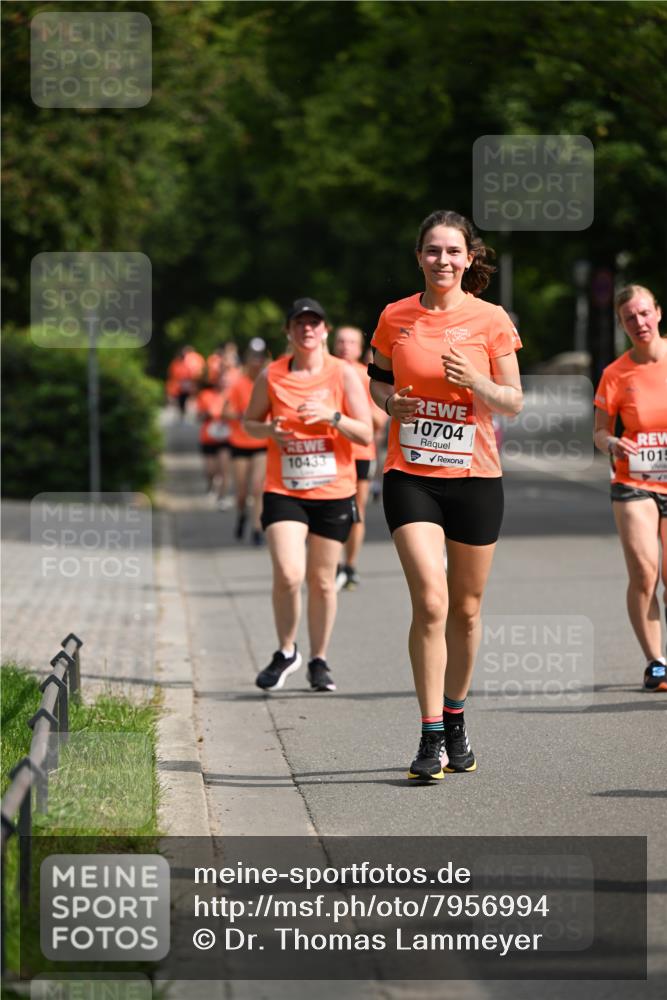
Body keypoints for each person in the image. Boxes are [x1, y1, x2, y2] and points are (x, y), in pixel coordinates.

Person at [368, 209, 523, 782]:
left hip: (476, 477)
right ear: (420, 257)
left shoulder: (490, 319)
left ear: (468, 259)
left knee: (465, 607)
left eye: (453, 252)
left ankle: (456, 715)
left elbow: (512, 400)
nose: (443, 261)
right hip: (410, 473)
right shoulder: (395, 317)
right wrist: (390, 405)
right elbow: (376, 377)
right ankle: (430, 732)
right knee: (431, 602)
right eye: (433, 251)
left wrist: (475, 382)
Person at [243, 298, 372, 692]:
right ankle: (286, 651)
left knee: (320, 581)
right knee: (288, 572)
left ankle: (319, 660)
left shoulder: (343, 374)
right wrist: (270, 432)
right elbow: (249, 423)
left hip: (333, 490)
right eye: (299, 323)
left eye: (314, 323)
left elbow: (366, 433)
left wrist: (331, 416)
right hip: (285, 488)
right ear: (288, 332)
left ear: (326, 330)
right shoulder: (272, 375)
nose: (307, 329)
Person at [594, 284, 667, 691]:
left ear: (657, 312)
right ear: (622, 325)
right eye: (629, 318)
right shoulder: (616, 373)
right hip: (633, 479)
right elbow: (600, 432)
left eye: (644, 313)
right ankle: (655, 661)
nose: (639, 322)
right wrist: (610, 442)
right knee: (644, 572)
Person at [332, 325, 388, 590]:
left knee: (357, 512)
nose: (345, 346)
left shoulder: (367, 378)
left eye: (350, 342)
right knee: (328, 510)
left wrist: (354, 413)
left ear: (359, 347)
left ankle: (350, 565)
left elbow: (379, 420)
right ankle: (330, 564)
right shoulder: (324, 372)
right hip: (328, 453)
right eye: (340, 341)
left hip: (360, 454)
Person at [223, 338, 271, 544]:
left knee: (258, 488)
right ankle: (242, 513)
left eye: (261, 357)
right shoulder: (238, 384)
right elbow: (225, 412)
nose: (257, 362)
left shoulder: (270, 382)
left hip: (262, 444)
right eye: (254, 357)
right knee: (242, 492)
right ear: (247, 359)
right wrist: (241, 414)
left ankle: (257, 528)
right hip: (240, 444)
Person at [195, 370, 230, 505]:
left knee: (224, 470)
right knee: (211, 470)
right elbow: (198, 417)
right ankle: (210, 486)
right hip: (208, 438)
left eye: (225, 380)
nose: (223, 383)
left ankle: (222, 497)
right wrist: (207, 414)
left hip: (226, 438)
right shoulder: (205, 395)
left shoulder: (231, 395)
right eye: (221, 380)